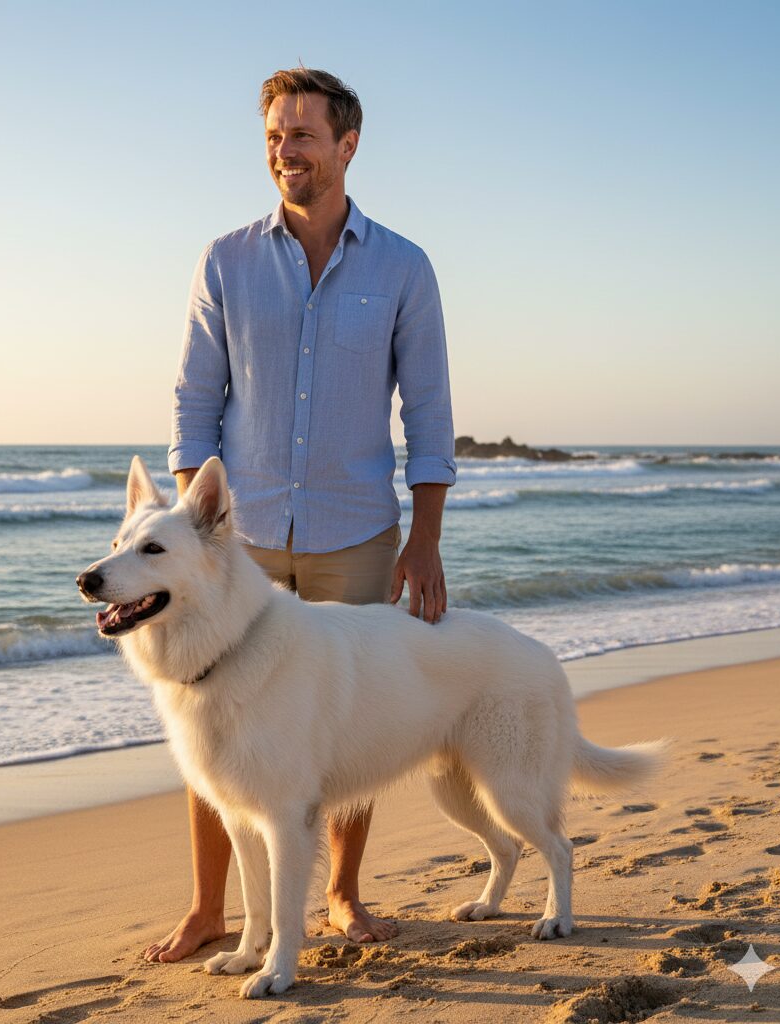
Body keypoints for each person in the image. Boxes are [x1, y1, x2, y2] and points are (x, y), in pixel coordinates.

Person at [144, 67, 456, 964]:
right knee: (211, 714)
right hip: (234, 548)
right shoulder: (226, 259)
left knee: (351, 718)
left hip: (356, 533)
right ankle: (211, 909)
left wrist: (425, 539)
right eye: (275, 136)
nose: (285, 152)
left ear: (348, 145)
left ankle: (342, 895)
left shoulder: (404, 267)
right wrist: (187, 534)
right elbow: (194, 401)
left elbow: (428, 412)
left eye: (303, 136)